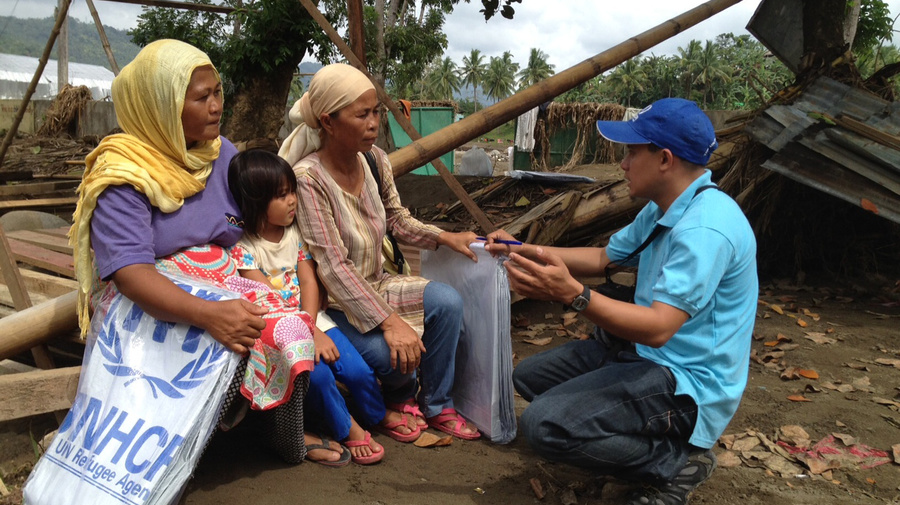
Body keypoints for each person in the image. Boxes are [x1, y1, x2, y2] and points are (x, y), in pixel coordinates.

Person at [68, 39, 347, 467]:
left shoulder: (221, 155)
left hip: (223, 276)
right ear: (161, 106)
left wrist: (273, 280)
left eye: (217, 92)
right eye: (202, 97)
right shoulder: (122, 175)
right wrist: (208, 314)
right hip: (151, 294)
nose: (216, 105)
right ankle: (183, 450)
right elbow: (130, 273)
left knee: (289, 326)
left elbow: (252, 223)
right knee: (233, 337)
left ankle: (281, 434)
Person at [485, 98, 757, 505]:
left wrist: (573, 295)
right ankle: (622, 426)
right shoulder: (665, 208)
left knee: (544, 426)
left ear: (664, 159)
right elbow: (601, 258)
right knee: (529, 377)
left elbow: (660, 328)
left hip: (686, 379)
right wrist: (521, 249)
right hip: (638, 352)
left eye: (631, 153)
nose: (623, 164)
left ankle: (673, 461)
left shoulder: (706, 228)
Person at [279, 63, 480, 440]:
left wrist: (444, 236)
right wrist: (391, 323)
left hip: (378, 282)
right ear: (328, 121)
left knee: (447, 303)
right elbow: (334, 266)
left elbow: (397, 220)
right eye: (362, 114)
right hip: (336, 303)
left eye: (376, 112)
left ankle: (437, 404)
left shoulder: (375, 161)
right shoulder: (308, 179)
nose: (373, 123)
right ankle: (399, 396)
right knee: (394, 357)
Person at [228, 149, 425, 465]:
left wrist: (311, 326)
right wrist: (306, 334)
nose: (293, 200)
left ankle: (375, 414)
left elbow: (309, 282)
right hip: (281, 332)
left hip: (312, 320)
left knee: (358, 372)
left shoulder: (295, 235)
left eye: (292, 191)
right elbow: (269, 299)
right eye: (281, 195)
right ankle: (350, 429)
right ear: (254, 202)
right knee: (317, 379)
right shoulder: (243, 248)